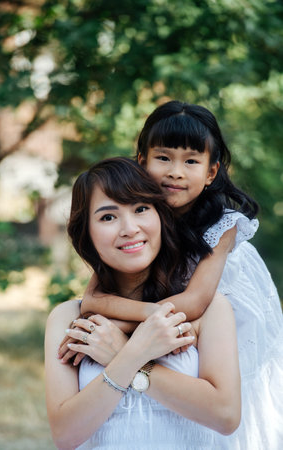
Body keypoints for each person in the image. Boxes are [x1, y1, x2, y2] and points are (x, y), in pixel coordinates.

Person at [60, 102, 283, 449]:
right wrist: (139, 325)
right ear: (142, 161)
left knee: (239, 404)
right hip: (170, 311)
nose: (175, 172)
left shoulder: (221, 225)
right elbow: (93, 300)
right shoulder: (140, 218)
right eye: (163, 158)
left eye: (191, 161)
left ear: (211, 173)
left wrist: (124, 327)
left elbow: (194, 303)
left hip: (222, 308)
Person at [45, 157, 241, 450]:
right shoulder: (68, 318)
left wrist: (129, 357)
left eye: (140, 209)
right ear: (86, 234)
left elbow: (225, 416)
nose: (130, 228)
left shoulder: (210, 310)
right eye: (108, 217)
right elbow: (65, 436)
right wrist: (131, 356)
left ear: (160, 216)